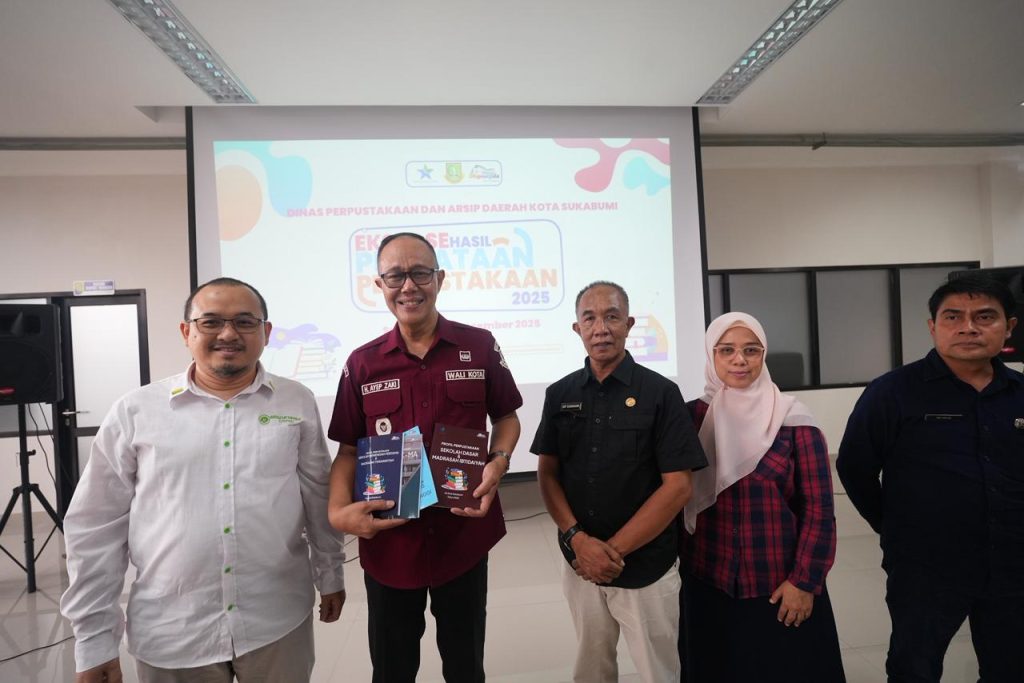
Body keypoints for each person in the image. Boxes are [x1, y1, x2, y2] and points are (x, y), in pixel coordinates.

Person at [60, 277, 346, 683]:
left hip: (277, 619)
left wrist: (330, 574)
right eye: (211, 322)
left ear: (266, 332)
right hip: (173, 630)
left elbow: (317, 492)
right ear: (186, 331)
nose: (228, 334)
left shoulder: (295, 400)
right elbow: (95, 528)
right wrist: (94, 641)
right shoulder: (135, 412)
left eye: (244, 322)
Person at [327, 232, 522, 683]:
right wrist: (338, 513)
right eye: (396, 276)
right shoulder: (362, 364)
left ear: (440, 278)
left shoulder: (479, 345)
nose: (409, 286)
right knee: (392, 670)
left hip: (463, 538)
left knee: (465, 667)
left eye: (420, 273)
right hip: (391, 547)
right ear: (379, 285)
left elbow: (507, 417)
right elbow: (348, 450)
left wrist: (499, 459)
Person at [837, 273, 1024, 682]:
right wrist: (892, 527)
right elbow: (854, 467)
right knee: (914, 666)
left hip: (1013, 562)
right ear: (932, 326)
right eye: (953, 317)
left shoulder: (1020, 392)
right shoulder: (892, 392)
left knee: (1011, 666)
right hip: (925, 565)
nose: (968, 327)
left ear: (1009, 326)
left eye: (985, 317)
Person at [530, 281, 706, 683]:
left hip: (646, 566)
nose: (601, 328)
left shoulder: (661, 393)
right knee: (591, 669)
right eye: (589, 318)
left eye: (611, 317)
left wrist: (609, 552)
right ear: (577, 328)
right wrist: (578, 541)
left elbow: (678, 486)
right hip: (580, 563)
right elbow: (547, 473)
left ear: (628, 324)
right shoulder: (559, 394)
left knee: (658, 672)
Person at [680, 312, 844, 683]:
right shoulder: (691, 418)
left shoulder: (793, 421)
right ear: (711, 356)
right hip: (706, 580)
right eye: (726, 350)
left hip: (777, 584)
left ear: (763, 355)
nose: (739, 360)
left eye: (751, 350)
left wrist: (804, 582)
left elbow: (819, 510)